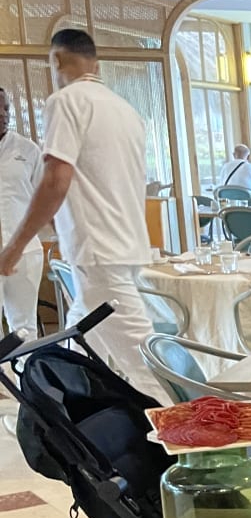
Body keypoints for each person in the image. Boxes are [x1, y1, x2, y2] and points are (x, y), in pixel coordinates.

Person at [0, 29, 167, 401]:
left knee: (147, 366)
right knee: (75, 352)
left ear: (56, 60)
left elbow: (55, 180)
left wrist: (15, 246)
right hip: (126, 245)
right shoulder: (126, 111)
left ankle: (194, 430)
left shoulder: (66, 101)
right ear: (97, 63)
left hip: (98, 250)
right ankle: (67, 419)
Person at [0, 87, 44, 342]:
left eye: (6, 108)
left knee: (24, 326)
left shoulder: (28, 150)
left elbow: (45, 198)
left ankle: (28, 368)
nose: (3, 114)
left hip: (25, 252)